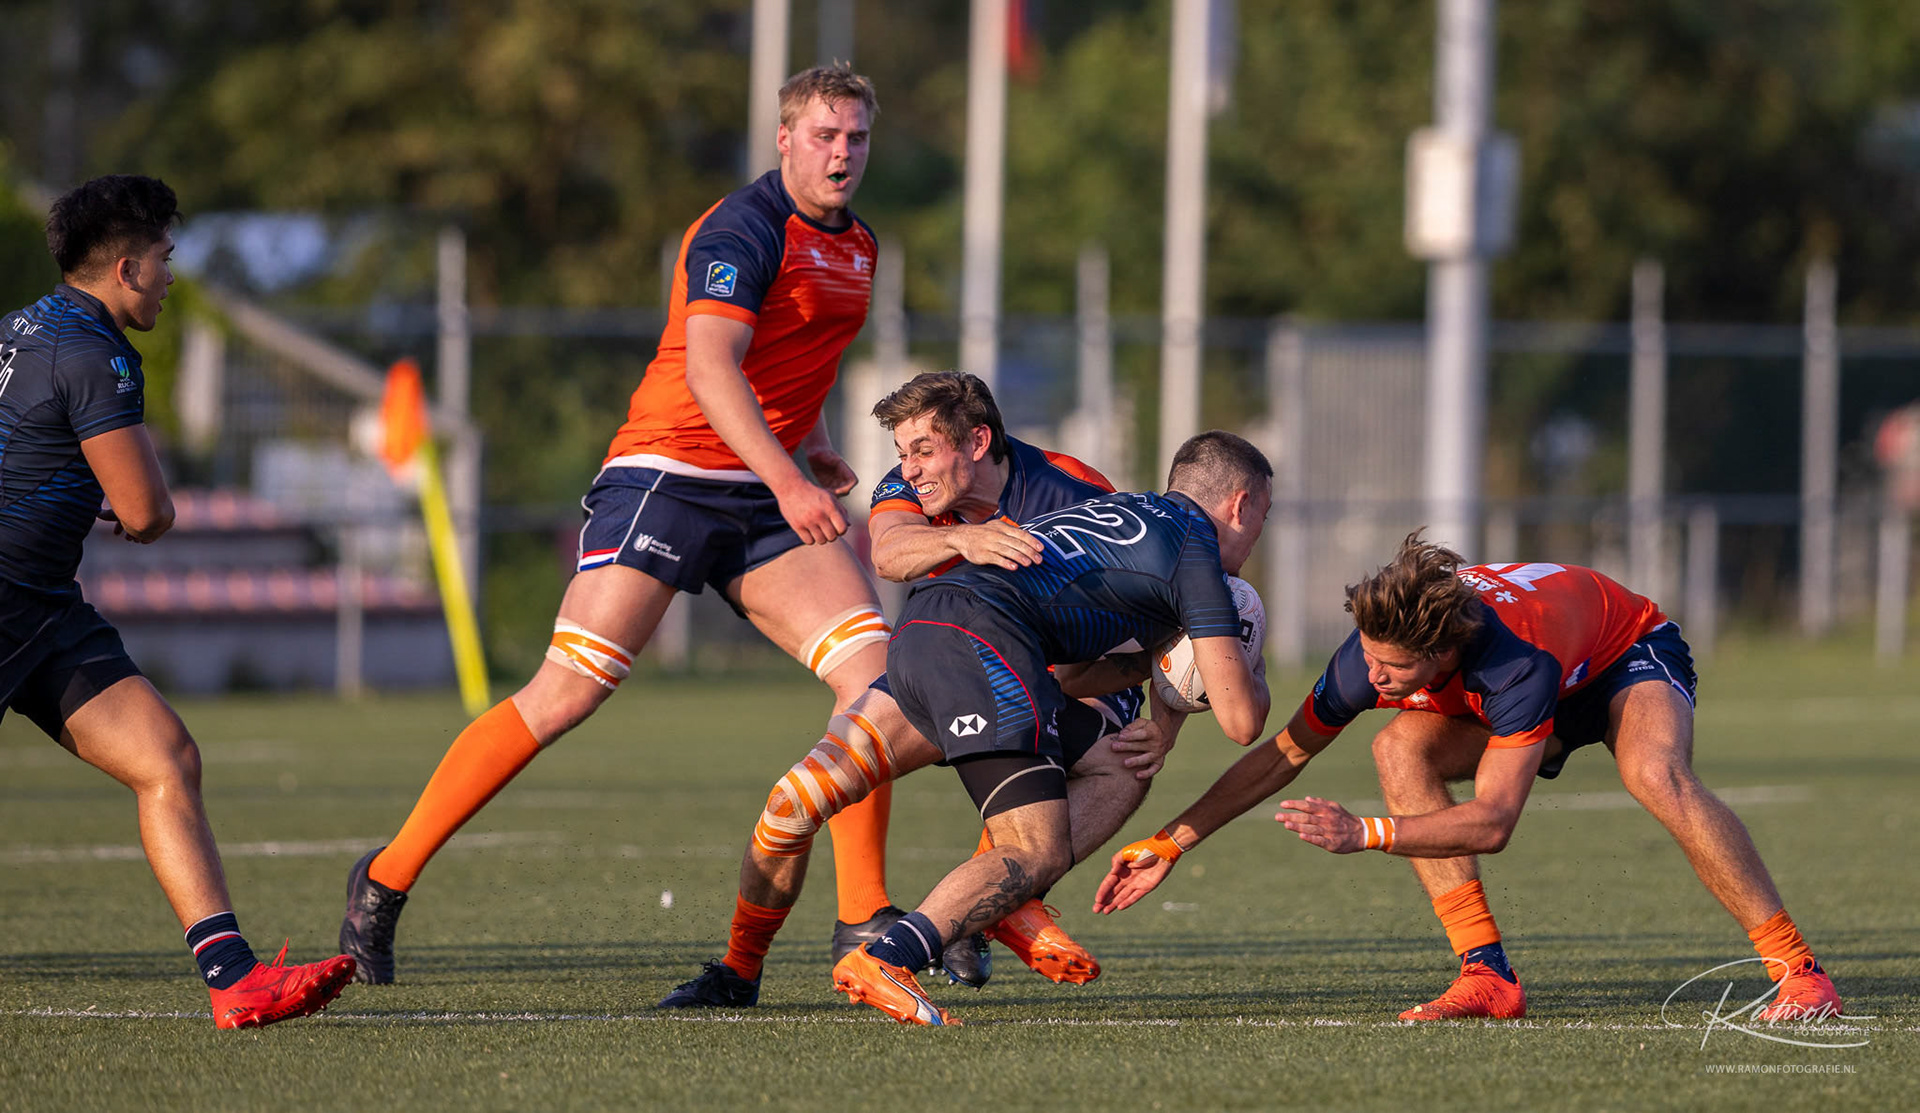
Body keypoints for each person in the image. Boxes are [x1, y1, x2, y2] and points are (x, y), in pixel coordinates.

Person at [339, 65, 907, 983]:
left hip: (764, 487)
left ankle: (861, 918)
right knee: (568, 692)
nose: (843, 154)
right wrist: (790, 479)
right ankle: (385, 878)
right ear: (785, 139)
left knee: (876, 681)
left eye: (857, 138)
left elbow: (798, 354)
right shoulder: (741, 228)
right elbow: (713, 368)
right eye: (825, 136)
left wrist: (817, 446)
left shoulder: (861, 245)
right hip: (670, 474)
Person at [1095, 534, 1843, 1023]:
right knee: (1397, 747)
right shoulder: (1366, 658)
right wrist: (1170, 841)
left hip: (1622, 655)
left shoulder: (1515, 666)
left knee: (1653, 772)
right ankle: (1487, 975)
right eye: (1370, 658)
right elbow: (1281, 755)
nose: (1375, 678)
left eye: (1394, 669)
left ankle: (1798, 969)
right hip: (1537, 669)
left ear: (1444, 653)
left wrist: (1365, 833)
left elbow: (1493, 823)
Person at [662, 432, 1273, 1025]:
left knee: (1117, 765)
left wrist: (1157, 693)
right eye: (1263, 519)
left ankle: (743, 974)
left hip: (928, 630)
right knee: (1034, 849)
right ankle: (887, 956)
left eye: (922, 449)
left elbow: (1076, 673)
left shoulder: (1102, 499)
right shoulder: (1196, 552)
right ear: (1240, 505)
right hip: (986, 651)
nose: (912, 466)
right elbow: (1241, 722)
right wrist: (1251, 660)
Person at [0, 175, 354, 1028]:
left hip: (41, 605)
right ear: (126, 267)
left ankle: (235, 978)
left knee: (166, 757)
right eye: (164, 257)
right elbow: (148, 511)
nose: (170, 274)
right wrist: (127, 506)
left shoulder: (20, 326)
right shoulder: (100, 353)